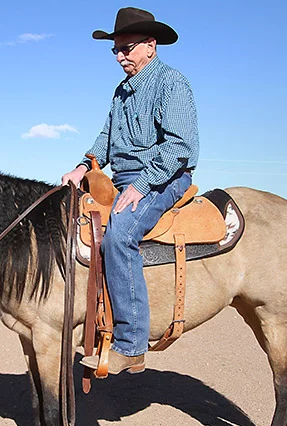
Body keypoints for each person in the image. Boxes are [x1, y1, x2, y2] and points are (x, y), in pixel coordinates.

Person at [62, 7, 199, 374]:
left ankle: (132, 344)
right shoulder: (122, 91)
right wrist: (82, 165)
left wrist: (140, 185)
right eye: (115, 50)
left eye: (127, 48)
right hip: (124, 180)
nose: (120, 56)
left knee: (119, 236)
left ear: (151, 46)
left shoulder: (171, 83)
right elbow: (106, 140)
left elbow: (180, 147)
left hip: (164, 177)